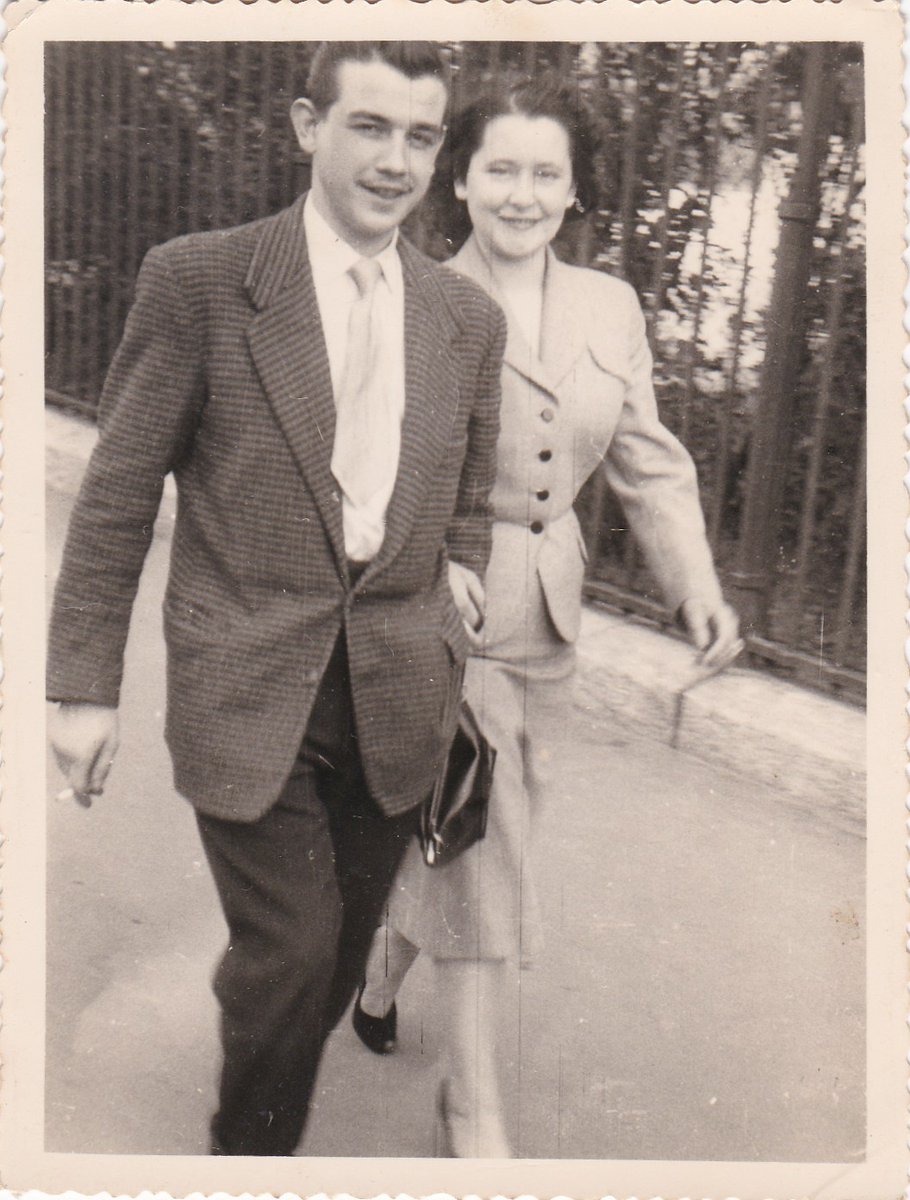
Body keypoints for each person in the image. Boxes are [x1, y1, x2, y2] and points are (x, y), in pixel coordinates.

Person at [47, 41, 506, 1157]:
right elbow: (117, 492)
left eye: (421, 136)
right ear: (307, 125)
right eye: (369, 127)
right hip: (247, 679)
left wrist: (460, 559)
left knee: (337, 952)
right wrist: (81, 689)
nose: (395, 161)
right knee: (293, 956)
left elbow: (470, 479)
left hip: (399, 692)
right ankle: (246, 1165)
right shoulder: (202, 279)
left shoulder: (464, 317)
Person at [355, 74, 742, 1157]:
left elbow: (646, 460)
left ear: (573, 192)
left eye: (546, 174)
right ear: (461, 180)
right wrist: (426, 565)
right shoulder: (409, 298)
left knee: (475, 830)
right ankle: (471, 1106)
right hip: (445, 614)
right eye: (500, 170)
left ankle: (385, 968)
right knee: (487, 839)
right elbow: (365, 478)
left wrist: (696, 586)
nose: (521, 195)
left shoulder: (608, 307)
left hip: (552, 614)